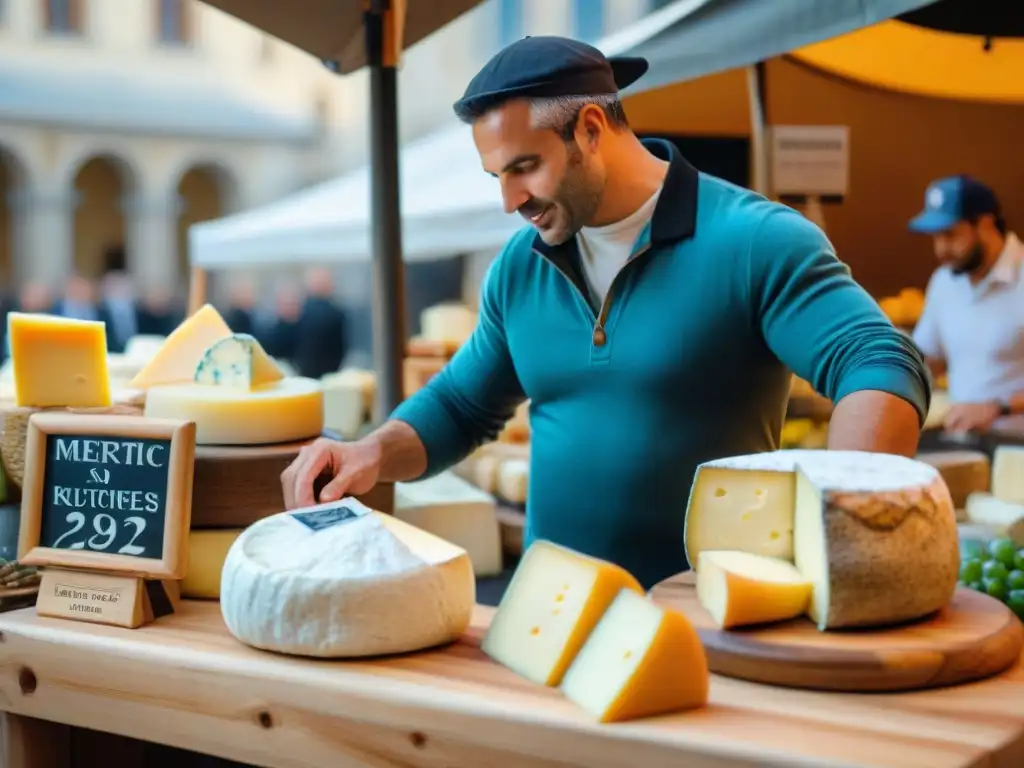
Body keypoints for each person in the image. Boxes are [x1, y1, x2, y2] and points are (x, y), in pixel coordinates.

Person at [281, 36, 930, 588]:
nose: (511, 201)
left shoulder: (755, 241)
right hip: (548, 618)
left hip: (709, 624)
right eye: (497, 177)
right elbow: (460, 407)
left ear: (591, 128)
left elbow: (877, 359)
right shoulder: (520, 265)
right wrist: (370, 450)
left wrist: (842, 519)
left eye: (525, 168)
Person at [909, 175, 1024, 433]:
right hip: (962, 444)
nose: (940, 249)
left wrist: (998, 407)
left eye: (950, 235)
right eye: (935, 237)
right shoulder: (943, 281)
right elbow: (930, 359)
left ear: (984, 224)